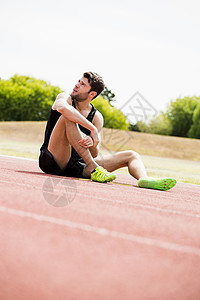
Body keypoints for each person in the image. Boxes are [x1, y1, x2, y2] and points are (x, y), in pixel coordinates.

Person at [39, 72, 176, 191]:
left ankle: (144, 180)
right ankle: (95, 169)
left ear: (92, 94)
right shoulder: (65, 98)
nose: (76, 85)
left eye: (82, 84)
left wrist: (91, 142)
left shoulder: (97, 117)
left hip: (79, 166)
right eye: (78, 81)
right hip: (54, 160)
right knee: (68, 116)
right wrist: (91, 129)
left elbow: (95, 152)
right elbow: (62, 108)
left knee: (131, 155)